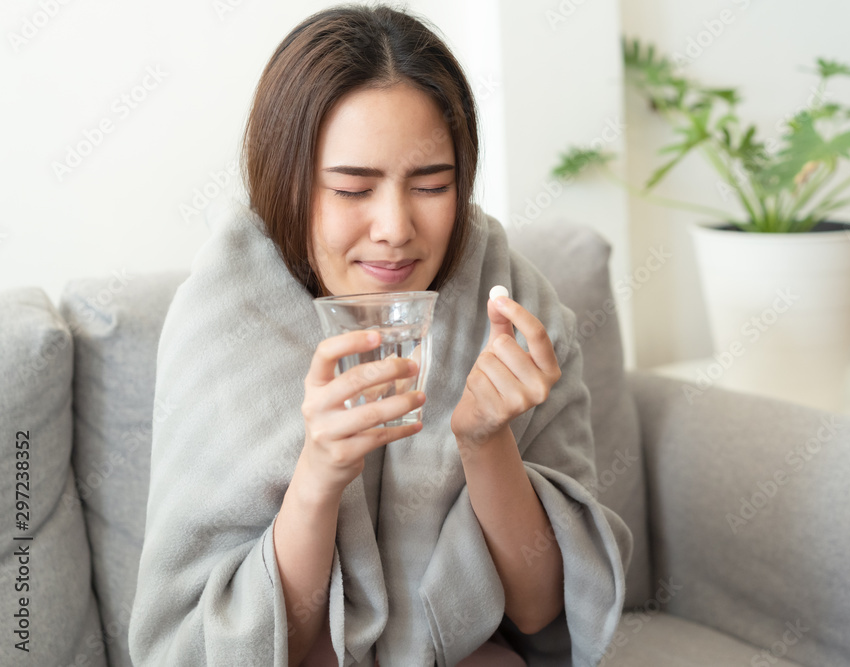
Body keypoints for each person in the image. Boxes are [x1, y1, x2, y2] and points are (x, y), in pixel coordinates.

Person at [129, 5, 631, 666]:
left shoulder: (512, 302)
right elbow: (216, 646)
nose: (395, 226)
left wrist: (485, 442)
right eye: (352, 187)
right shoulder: (226, 320)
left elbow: (545, 615)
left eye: (431, 184)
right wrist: (321, 470)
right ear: (289, 184)